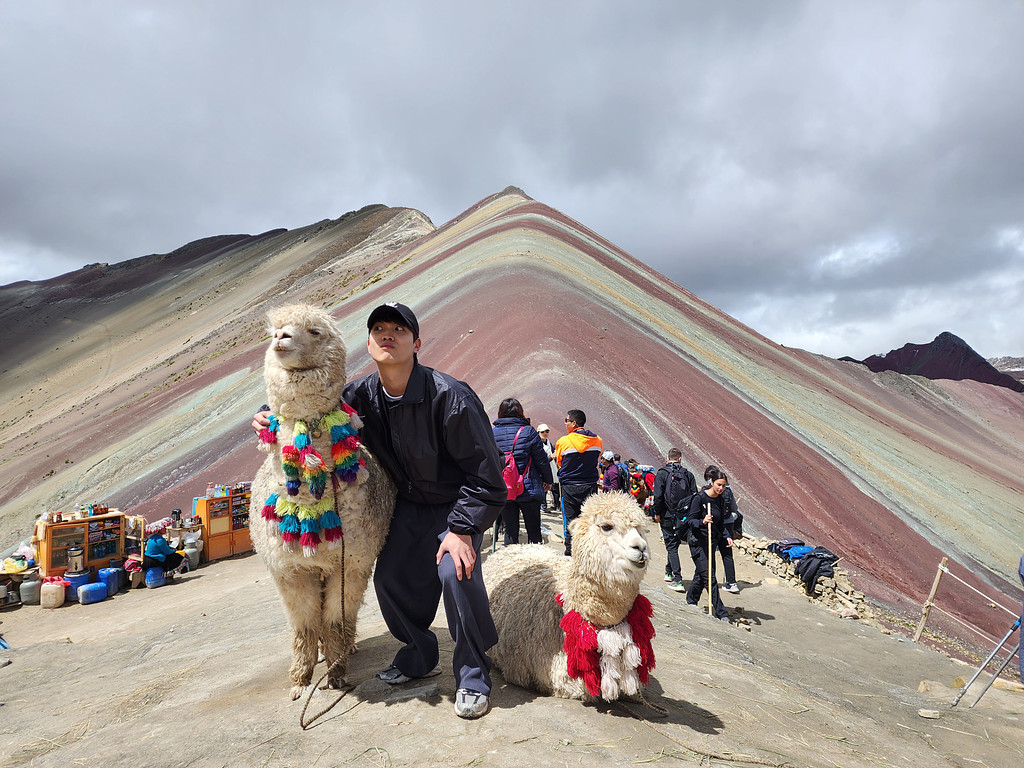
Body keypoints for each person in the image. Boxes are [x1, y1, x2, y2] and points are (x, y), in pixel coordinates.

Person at [252, 301, 506, 719]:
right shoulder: (359, 396)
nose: (388, 334)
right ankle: (419, 655)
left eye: (399, 329)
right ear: (368, 344)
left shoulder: (451, 398)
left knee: (454, 573)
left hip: (454, 505)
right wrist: (266, 417)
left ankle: (473, 675)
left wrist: (462, 531)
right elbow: (311, 412)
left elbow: (487, 476)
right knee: (388, 578)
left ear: (416, 342)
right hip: (406, 504)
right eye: (379, 329)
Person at [491, 398, 553, 545]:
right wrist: (548, 480)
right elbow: (541, 460)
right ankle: (535, 566)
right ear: (520, 412)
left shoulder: (493, 433)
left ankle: (510, 565)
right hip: (529, 488)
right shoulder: (529, 432)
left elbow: (489, 461)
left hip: (505, 489)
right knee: (533, 531)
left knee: (510, 530)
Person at [684, 467, 733, 621]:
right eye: (718, 484)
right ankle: (722, 613)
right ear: (711, 482)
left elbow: (720, 523)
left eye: (724, 486)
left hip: (711, 542)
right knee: (710, 577)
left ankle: (691, 600)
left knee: (702, 574)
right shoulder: (700, 499)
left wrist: (727, 536)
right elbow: (690, 521)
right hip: (697, 542)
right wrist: (702, 521)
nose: (721, 488)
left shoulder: (720, 499)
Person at [553, 409, 602, 556]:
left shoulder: (563, 441)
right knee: (588, 520)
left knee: (570, 520)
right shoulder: (597, 440)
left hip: (569, 486)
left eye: (566, 420)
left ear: (574, 423)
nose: (565, 423)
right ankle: (588, 551)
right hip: (590, 486)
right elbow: (597, 456)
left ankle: (570, 551)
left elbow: (560, 462)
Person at [651, 449, 697, 593]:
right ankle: (668, 571)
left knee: (671, 546)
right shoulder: (688, 474)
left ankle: (677, 579)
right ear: (680, 459)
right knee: (675, 543)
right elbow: (694, 495)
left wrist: (657, 512)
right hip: (682, 516)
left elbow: (658, 495)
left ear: (667, 458)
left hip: (666, 515)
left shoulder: (662, 473)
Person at [704, 464, 742, 593]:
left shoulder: (708, 491)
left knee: (711, 553)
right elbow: (734, 508)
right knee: (727, 555)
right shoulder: (728, 490)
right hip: (728, 524)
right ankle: (732, 583)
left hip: (714, 525)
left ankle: (711, 580)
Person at [536, 423, 560, 514]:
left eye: (547, 431)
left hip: (551, 468)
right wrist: (551, 457)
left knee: (553, 487)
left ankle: (555, 504)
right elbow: (539, 460)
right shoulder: (538, 444)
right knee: (543, 488)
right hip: (542, 469)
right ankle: (543, 506)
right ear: (538, 433)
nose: (545, 433)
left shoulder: (548, 443)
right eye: (542, 432)